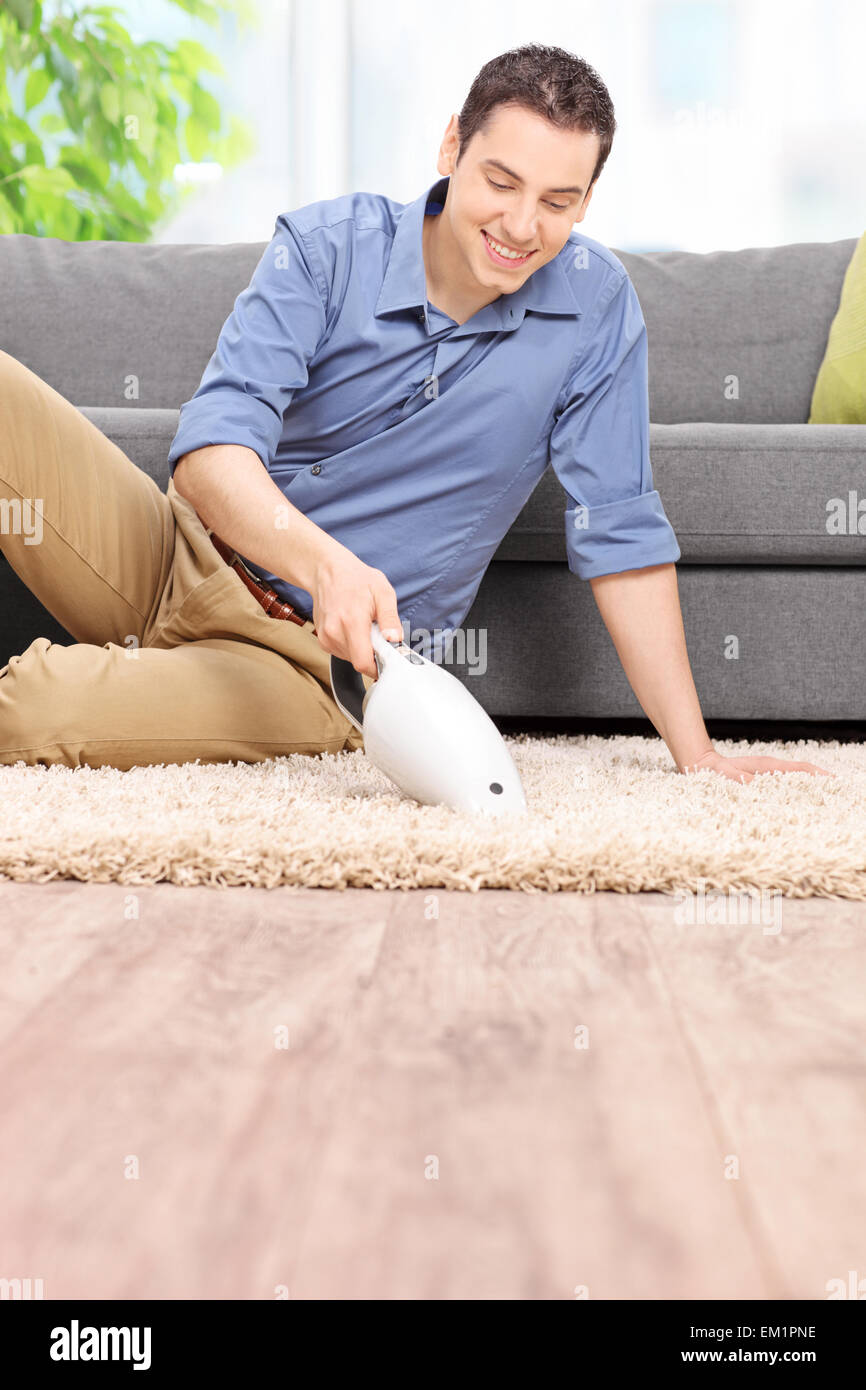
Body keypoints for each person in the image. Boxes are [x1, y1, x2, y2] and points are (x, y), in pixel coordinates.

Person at [0, 42, 827, 784]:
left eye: (557, 201)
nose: (520, 225)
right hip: (169, 550)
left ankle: (144, 694)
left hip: (315, 666)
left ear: (585, 203)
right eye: (501, 182)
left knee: (36, 709)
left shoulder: (596, 310)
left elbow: (622, 534)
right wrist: (329, 564)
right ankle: (150, 679)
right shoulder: (327, 249)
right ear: (451, 147)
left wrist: (700, 756)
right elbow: (211, 452)